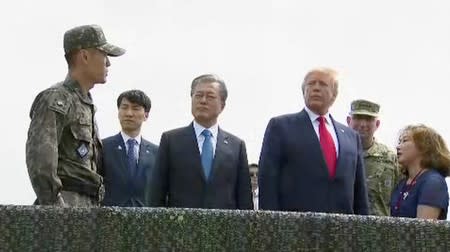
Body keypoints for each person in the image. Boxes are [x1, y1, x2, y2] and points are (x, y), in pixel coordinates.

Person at [26, 24, 125, 206]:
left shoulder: (85, 102)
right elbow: (41, 164)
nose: (108, 63)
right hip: (66, 209)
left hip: (87, 208)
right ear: (85, 56)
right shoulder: (56, 99)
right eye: (104, 55)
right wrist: (57, 210)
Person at [258, 67, 369, 214]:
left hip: (342, 230)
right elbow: (268, 181)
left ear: (334, 94)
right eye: (311, 84)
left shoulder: (351, 137)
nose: (316, 88)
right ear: (303, 91)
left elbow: (359, 191)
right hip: (295, 227)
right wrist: (271, 226)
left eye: (323, 84)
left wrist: (363, 230)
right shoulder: (281, 127)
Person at [150, 74, 253, 209]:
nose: (203, 101)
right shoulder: (171, 140)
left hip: (224, 227)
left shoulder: (236, 146)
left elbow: (244, 197)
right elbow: (156, 192)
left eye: (210, 96)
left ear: (222, 105)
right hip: (180, 227)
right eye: (198, 95)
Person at [101, 90, 158, 207]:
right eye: (124, 108)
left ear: (146, 115)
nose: (129, 113)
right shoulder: (102, 147)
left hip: (146, 219)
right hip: (110, 219)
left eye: (135, 108)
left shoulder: (156, 152)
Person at [347, 99, 400, 216]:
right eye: (358, 118)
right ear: (348, 121)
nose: (363, 124)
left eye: (369, 119)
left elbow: (400, 197)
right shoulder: (339, 153)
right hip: (345, 228)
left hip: (380, 230)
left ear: (377, 124)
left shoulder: (390, 158)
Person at [390, 124, 449, 220]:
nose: (398, 146)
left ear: (424, 147)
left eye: (404, 141)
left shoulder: (433, 182)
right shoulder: (402, 183)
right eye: (399, 141)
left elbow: (423, 230)